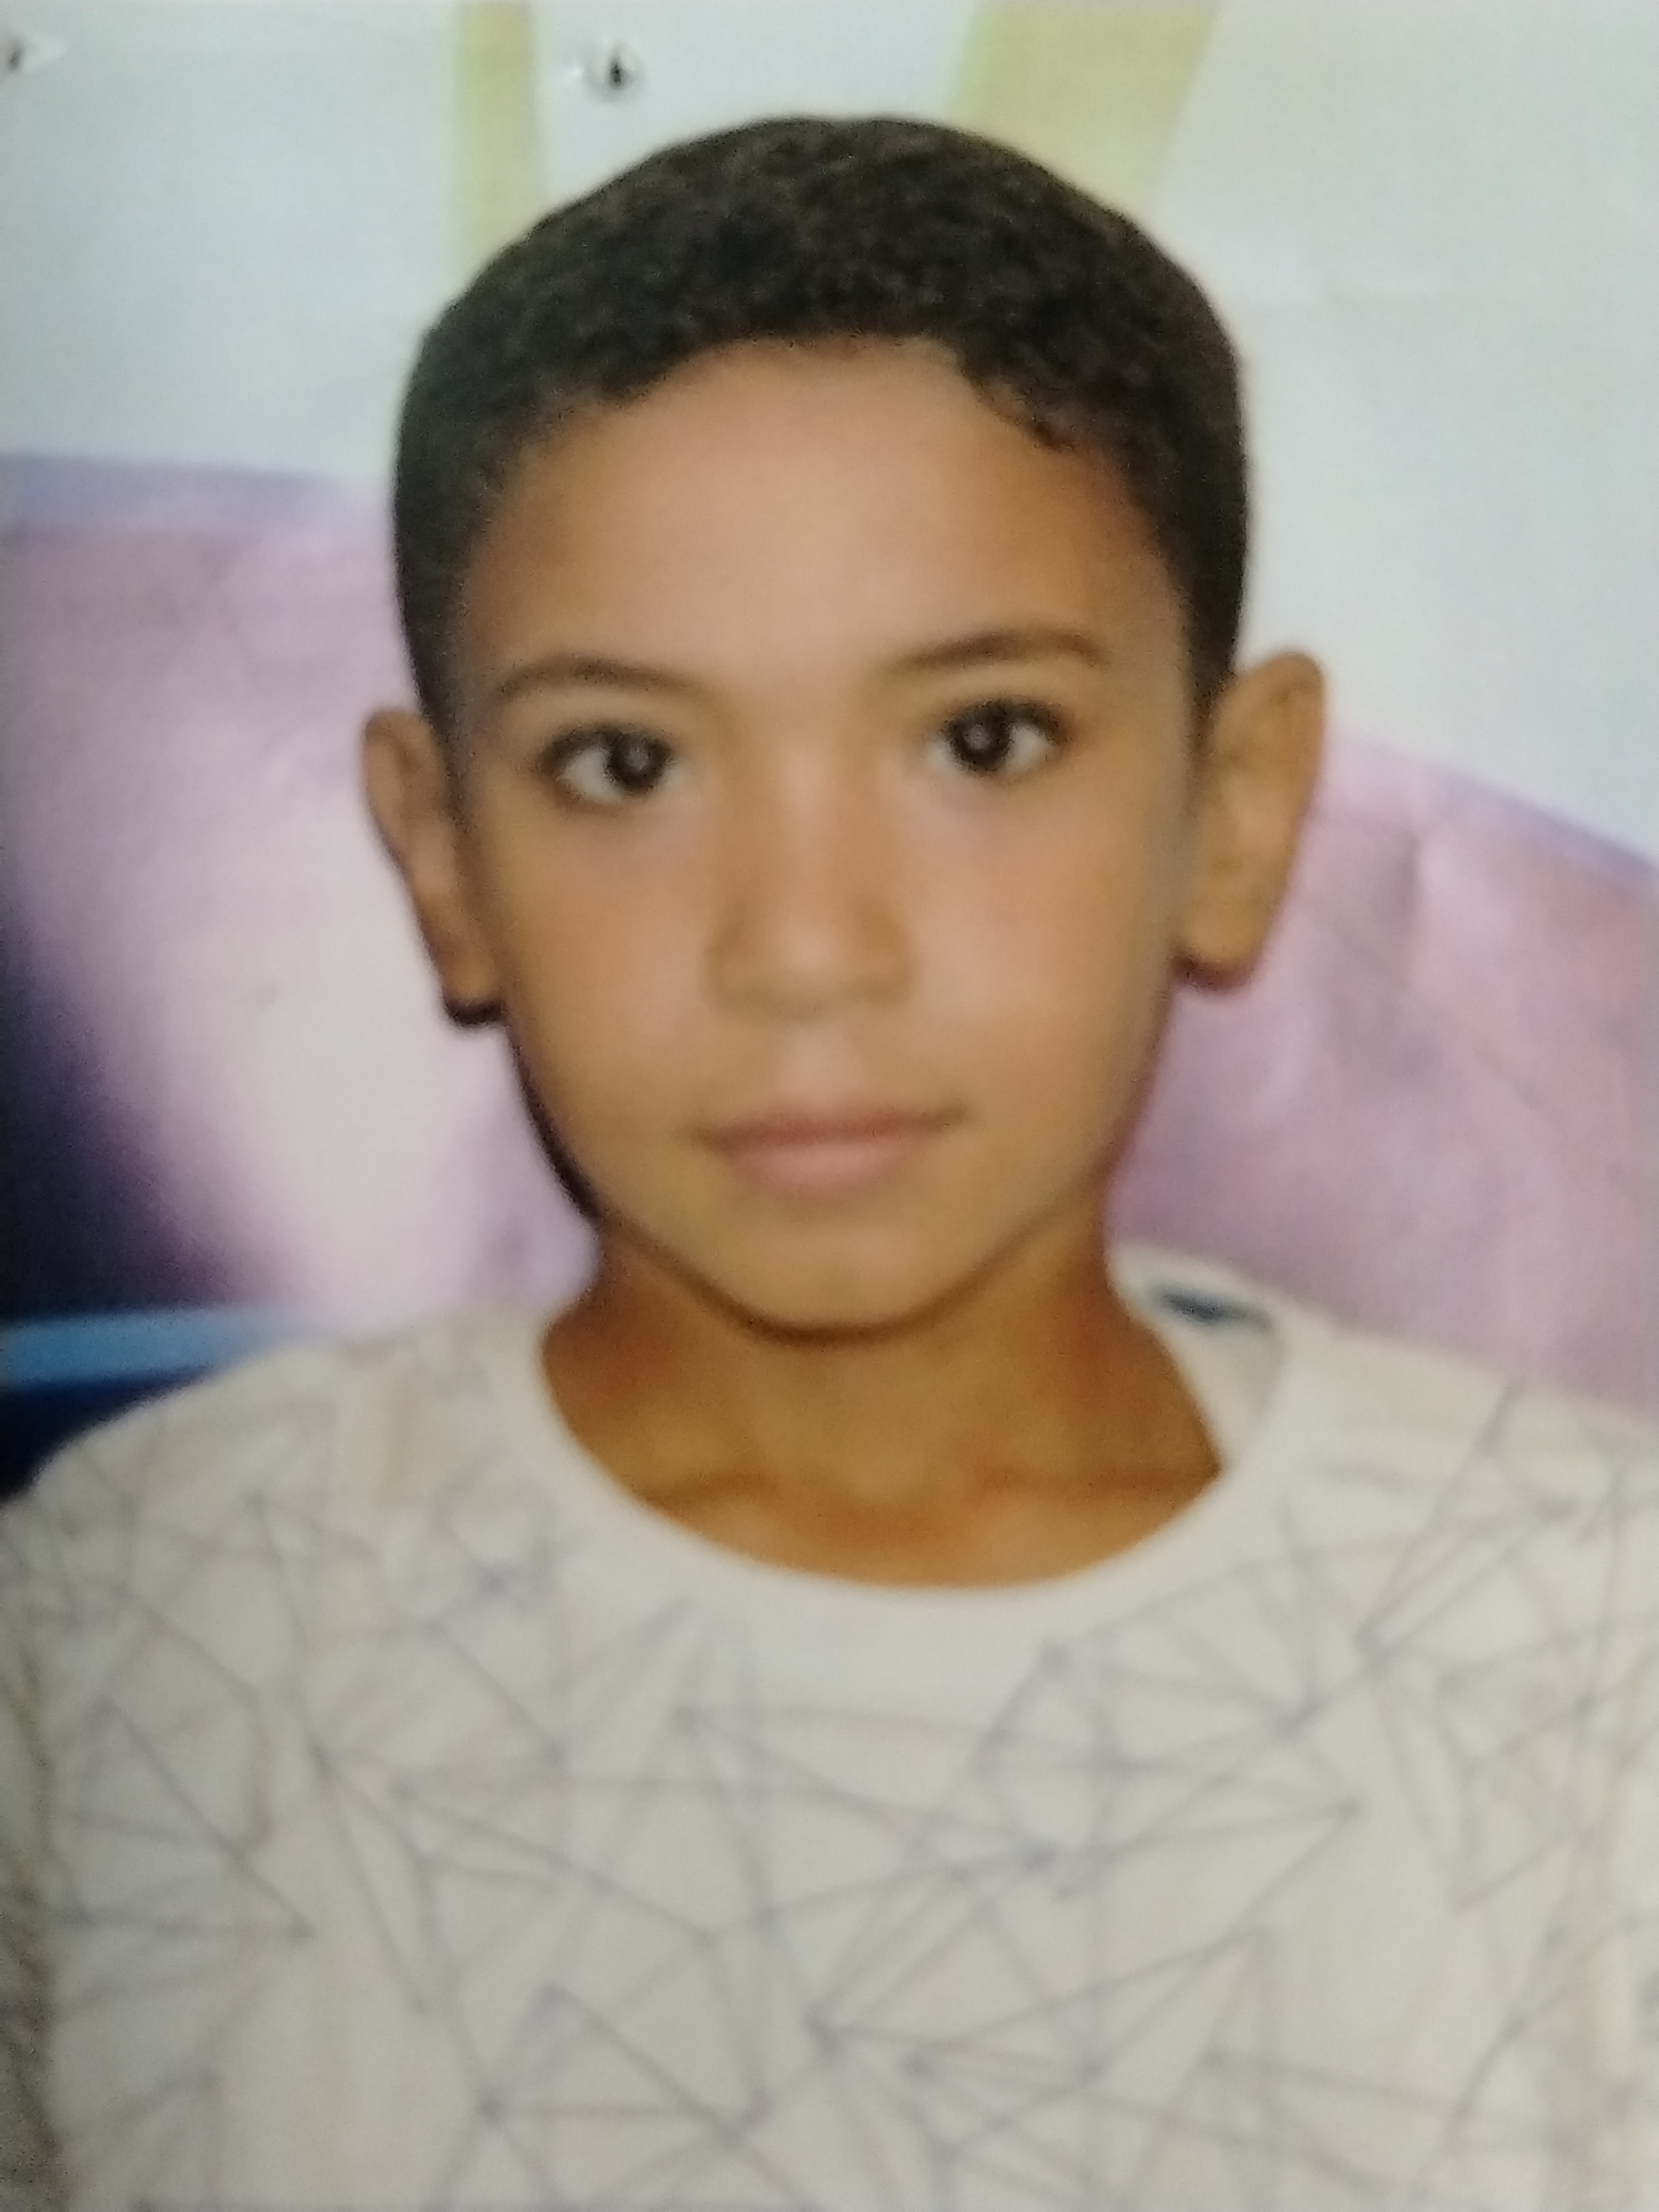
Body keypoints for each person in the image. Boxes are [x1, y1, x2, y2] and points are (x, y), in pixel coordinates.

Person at [2, 115, 1653, 2212]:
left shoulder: (1586, 1633)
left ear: (1236, 811)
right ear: (444, 856)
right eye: (625, 763)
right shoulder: (143, 1623)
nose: (804, 948)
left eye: (984, 740)